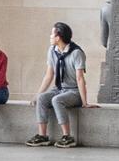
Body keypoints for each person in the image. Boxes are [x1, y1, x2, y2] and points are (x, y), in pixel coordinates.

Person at [34, 20, 86, 148]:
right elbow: (49, 75)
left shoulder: (76, 53)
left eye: (52, 34)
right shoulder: (52, 50)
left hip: (73, 91)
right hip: (58, 89)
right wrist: (37, 94)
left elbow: (80, 78)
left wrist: (85, 102)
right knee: (41, 98)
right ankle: (42, 136)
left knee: (57, 100)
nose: (50, 37)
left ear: (58, 37)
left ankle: (67, 136)